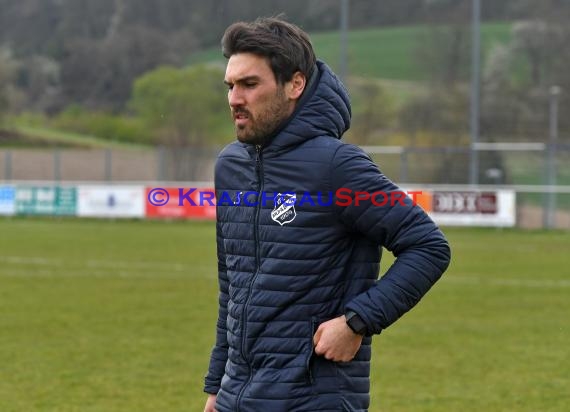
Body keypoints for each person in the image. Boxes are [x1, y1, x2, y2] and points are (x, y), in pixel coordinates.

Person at [204, 17, 451, 412]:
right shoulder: (230, 166)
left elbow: (428, 247)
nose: (235, 98)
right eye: (231, 86)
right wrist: (218, 385)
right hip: (240, 396)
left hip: (313, 399)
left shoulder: (337, 166)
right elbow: (231, 287)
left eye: (250, 84)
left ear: (295, 85)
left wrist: (357, 321)